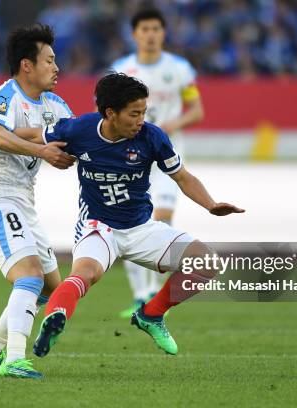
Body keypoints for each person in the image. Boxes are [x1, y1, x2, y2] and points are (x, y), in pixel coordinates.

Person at [0, 73, 243, 358]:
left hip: (141, 228)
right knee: (84, 274)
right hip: (98, 226)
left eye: (143, 112)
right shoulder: (80, 130)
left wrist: (210, 204)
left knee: (206, 262)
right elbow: (36, 134)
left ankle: (151, 315)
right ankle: (55, 319)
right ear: (110, 113)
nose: (140, 120)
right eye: (134, 113)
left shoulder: (153, 137)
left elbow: (182, 177)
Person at [0, 24, 75, 379]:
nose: (57, 68)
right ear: (27, 65)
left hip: (23, 198)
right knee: (29, 275)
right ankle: (14, 359)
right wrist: (36, 146)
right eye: (50, 60)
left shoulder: (55, 104)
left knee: (53, 288)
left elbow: (72, 133)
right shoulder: (5, 94)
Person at [110, 8, 205, 318]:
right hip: (130, 157)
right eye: (144, 29)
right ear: (135, 34)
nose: (150, 34)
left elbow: (197, 109)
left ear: (163, 33)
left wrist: (171, 124)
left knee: (160, 219)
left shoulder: (179, 69)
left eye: (155, 29)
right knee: (128, 222)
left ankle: (155, 294)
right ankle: (142, 295)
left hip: (166, 156)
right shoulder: (121, 70)